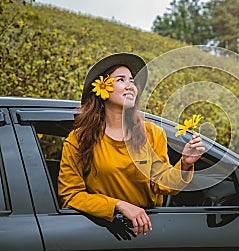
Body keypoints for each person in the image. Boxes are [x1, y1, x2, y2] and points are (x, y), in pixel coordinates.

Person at [58, 53, 204, 236]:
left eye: (133, 81)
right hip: (100, 231)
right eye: (121, 80)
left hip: (147, 229)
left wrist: (185, 163)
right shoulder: (78, 140)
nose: (131, 86)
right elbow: (70, 195)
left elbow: (162, 184)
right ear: (101, 88)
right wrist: (118, 205)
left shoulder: (152, 133)